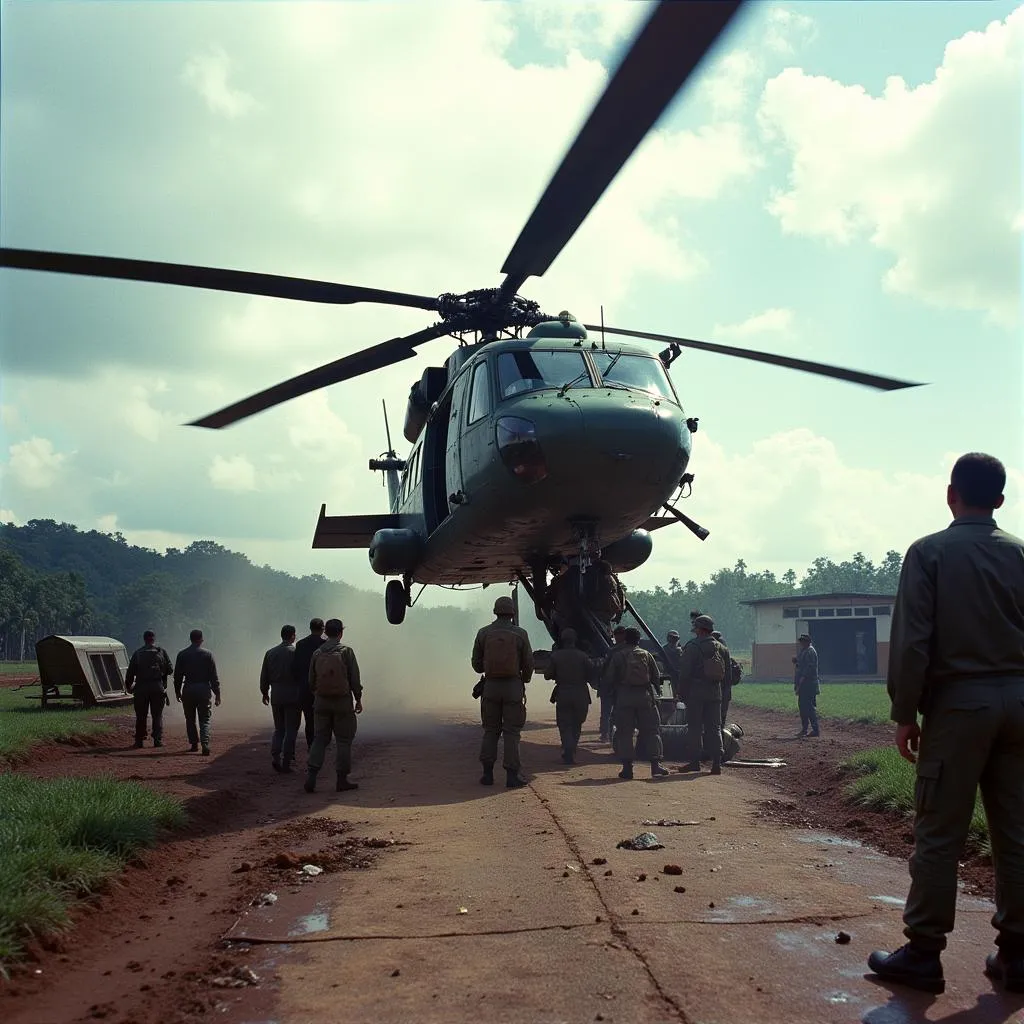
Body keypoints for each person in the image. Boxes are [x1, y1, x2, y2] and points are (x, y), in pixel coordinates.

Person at [867, 452, 1024, 994]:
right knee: (1018, 834)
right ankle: (1018, 955)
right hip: (1021, 707)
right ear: (1000, 502)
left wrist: (904, 712)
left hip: (960, 707)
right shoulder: (1023, 553)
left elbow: (912, 640)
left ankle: (924, 952)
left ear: (950, 493)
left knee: (939, 833)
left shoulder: (930, 552)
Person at [471, 595, 534, 788]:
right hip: (513, 687)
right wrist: (523, 680)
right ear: (512, 613)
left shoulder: (483, 633)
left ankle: (487, 774)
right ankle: (511, 776)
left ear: (495, 611)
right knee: (512, 732)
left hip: (490, 688)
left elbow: (476, 664)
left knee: (490, 731)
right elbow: (528, 664)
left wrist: (488, 669)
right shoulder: (520, 634)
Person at [304, 618, 362, 793]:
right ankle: (341, 780)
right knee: (344, 741)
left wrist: (319, 695)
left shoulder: (317, 653)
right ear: (341, 633)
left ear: (325, 632)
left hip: (321, 702)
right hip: (342, 702)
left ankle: (311, 777)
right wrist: (358, 698)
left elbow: (311, 681)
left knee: (320, 739)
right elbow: (354, 679)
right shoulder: (346, 652)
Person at [604, 627, 668, 780]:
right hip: (645, 697)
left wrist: (611, 694)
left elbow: (609, 678)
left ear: (625, 639)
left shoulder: (618, 655)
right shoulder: (646, 655)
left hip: (624, 697)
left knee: (625, 732)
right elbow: (656, 677)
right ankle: (655, 765)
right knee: (652, 731)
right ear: (639, 640)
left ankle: (627, 769)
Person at [679, 615, 727, 774]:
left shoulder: (692, 646)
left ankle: (694, 762)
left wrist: (682, 693)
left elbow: (684, 673)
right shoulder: (721, 648)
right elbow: (728, 676)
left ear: (698, 629)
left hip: (696, 693)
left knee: (694, 728)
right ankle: (717, 764)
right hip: (715, 693)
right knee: (715, 728)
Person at [544, 628, 592, 764]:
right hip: (581, 694)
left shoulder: (555, 656)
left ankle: (568, 748)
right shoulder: (583, 656)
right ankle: (572, 748)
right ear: (575, 640)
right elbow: (591, 673)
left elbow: (547, 675)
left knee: (564, 724)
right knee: (577, 723)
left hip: (563, 693)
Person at [173, 629, 221, 756]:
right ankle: (205, 744)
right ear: (201, 639)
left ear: (190, 639)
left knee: (190, 718)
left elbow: (177, 676)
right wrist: (217, 694)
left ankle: (194, 744)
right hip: (204, 689)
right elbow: (214, 677)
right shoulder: (208, 654)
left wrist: (177, 692)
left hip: (188, 689)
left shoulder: (182, 654)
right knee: (204, 719)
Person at [260, 624, 300, 773]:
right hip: (293, 694)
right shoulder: (296, 653)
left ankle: (275, 757)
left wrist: (264, 692)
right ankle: (287, 761)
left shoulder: (270, 653)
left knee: (279, 729)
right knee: (291, 729)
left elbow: (264, 675)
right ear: (292, 636)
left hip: (276, 694)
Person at [125, 629, 173, 749]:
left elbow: (130, 673)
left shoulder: (137, 653)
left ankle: (139, 741)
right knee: (157, 715)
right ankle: (157, 740)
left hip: (141, 687)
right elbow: (170, 669)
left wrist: (129, 687)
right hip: (157, 687)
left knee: (141, 715)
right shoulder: (161, 652)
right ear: (154, 639)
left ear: (144, 639)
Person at [292, 617, 326, 751]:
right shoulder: (325, 645)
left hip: (305, 688)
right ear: (322, 629)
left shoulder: (300, 644)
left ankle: (311, 746)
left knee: (309, 719)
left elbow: (295, 667)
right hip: (321, 688)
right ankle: (319, 745)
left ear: (310, 628)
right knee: (322, 719)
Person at [599, 625, 627, 742]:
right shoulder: (635, 650)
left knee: (606, 711)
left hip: (612, 686)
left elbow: (606, 669)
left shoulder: (613, 651)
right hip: (625, 687)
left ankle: (606, 734)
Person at [794, 634, 820, 737]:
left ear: (807, 642)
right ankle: (804, 729)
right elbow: (802, 664)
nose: (801, 643)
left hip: (808, 684)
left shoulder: (810, 651)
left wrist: (801, 680)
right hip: (804, 684)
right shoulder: (804, 650)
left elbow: (809, 668)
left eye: (803, 641)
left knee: (809, 708)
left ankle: (815, 730)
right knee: (803, 707)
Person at [712, 629, 741, 726]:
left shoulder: (712, 648)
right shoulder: (725, 649)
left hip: (714, 689)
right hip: (725, 690)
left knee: (712, 718)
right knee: (722, 717)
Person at [664, 629, 684, 698]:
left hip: (679, 676)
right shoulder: (663, 650)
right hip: (667, 676)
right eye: (671, 638)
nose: (673, 640)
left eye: (675, 638)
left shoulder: (681, 650)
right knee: (667, 698)